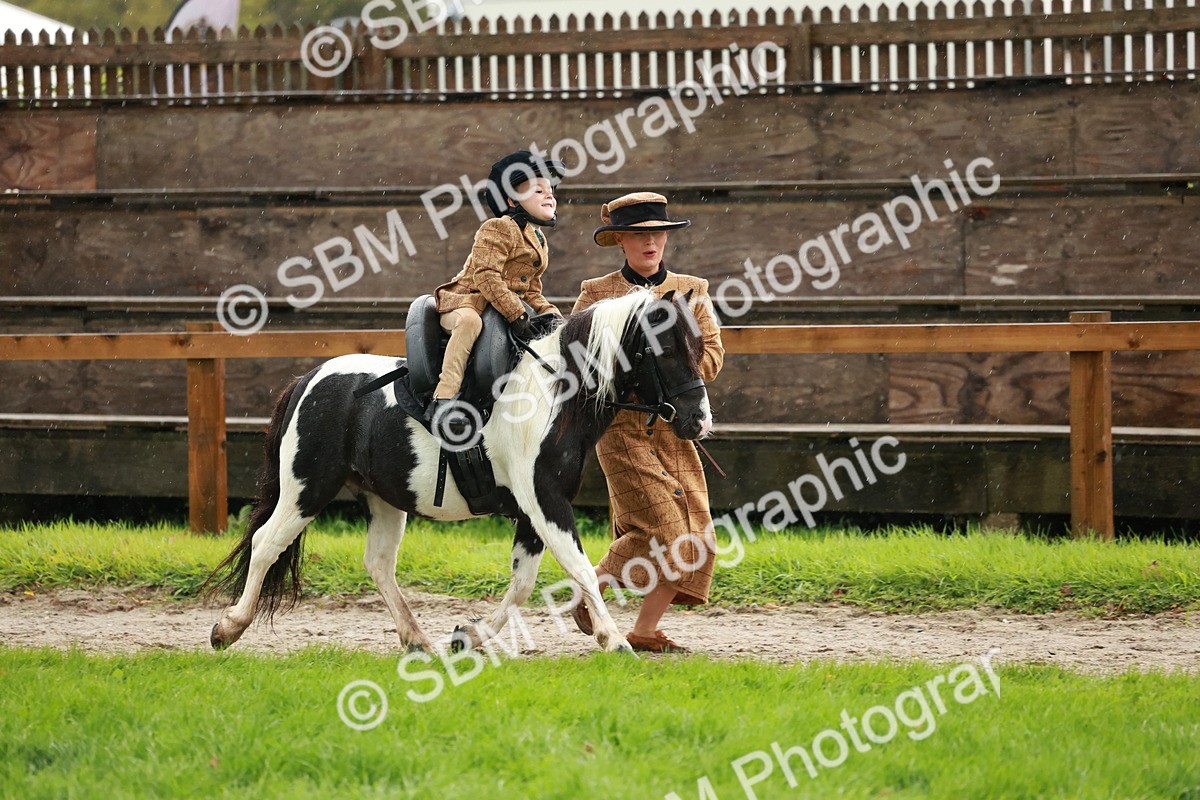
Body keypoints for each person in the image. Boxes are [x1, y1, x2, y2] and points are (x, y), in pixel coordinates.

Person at [570, 192, 725, 653]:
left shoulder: (693, 289)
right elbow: (576, 362)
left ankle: (643, 630)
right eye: (639, 236)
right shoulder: (594, 293)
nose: (650, 242)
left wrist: (674, 366)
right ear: (620, 241)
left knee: (699, 537)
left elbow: (713, 358)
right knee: (662, 530)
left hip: (677, 427)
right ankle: (590, 586)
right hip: (619, 429)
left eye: (657, 233)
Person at [429, 151, 566, 425]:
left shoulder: (538, 238)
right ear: (511, 200)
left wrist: (553, 317)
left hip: (500, 309)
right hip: (465, 303)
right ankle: (444, 398)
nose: (549, 195)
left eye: (551, 190)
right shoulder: (497, 227)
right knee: (469, 323)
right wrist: (519, 314)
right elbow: (486, 276)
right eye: (538, 190)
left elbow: (531, 290)